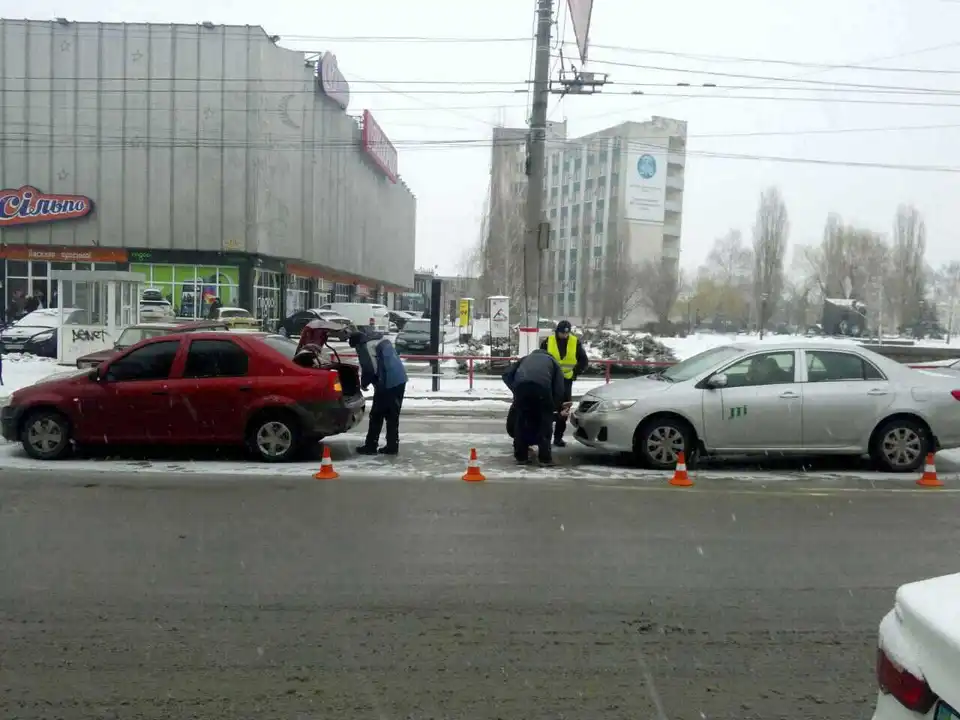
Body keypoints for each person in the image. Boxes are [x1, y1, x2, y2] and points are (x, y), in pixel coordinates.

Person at [349, 329, 408, 456]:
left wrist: (364, 384)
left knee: (376, 415)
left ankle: (371, 446)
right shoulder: (377, 340)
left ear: (357, 343)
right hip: (400, 379)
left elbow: (370, 368)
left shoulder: (366, 346)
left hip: (388, 382)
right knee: (392, 415)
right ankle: (392, 446)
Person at [502, 349, 566, 466]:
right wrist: (554, 406)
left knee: (521, 422)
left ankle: (521, 457)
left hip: (522, 388)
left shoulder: (525, 358)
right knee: (544, 424)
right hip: (541, 389)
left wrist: (516, 389)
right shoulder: (553, 362)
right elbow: (559, 388)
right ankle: (544, 459)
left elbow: (506, 374)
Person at [540, 320, 589, 447]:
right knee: (548, 409)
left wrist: (575, 373)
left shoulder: (575, 342)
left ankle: (558, 438)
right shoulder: (548, 341)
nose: (565, 335)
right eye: (562, 333)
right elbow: (541, 358)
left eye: (567, 333)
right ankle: (545, 437)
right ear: (557, 331)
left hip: (566, 381)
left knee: (564, 410)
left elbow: (583, 360)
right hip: (550, 381)